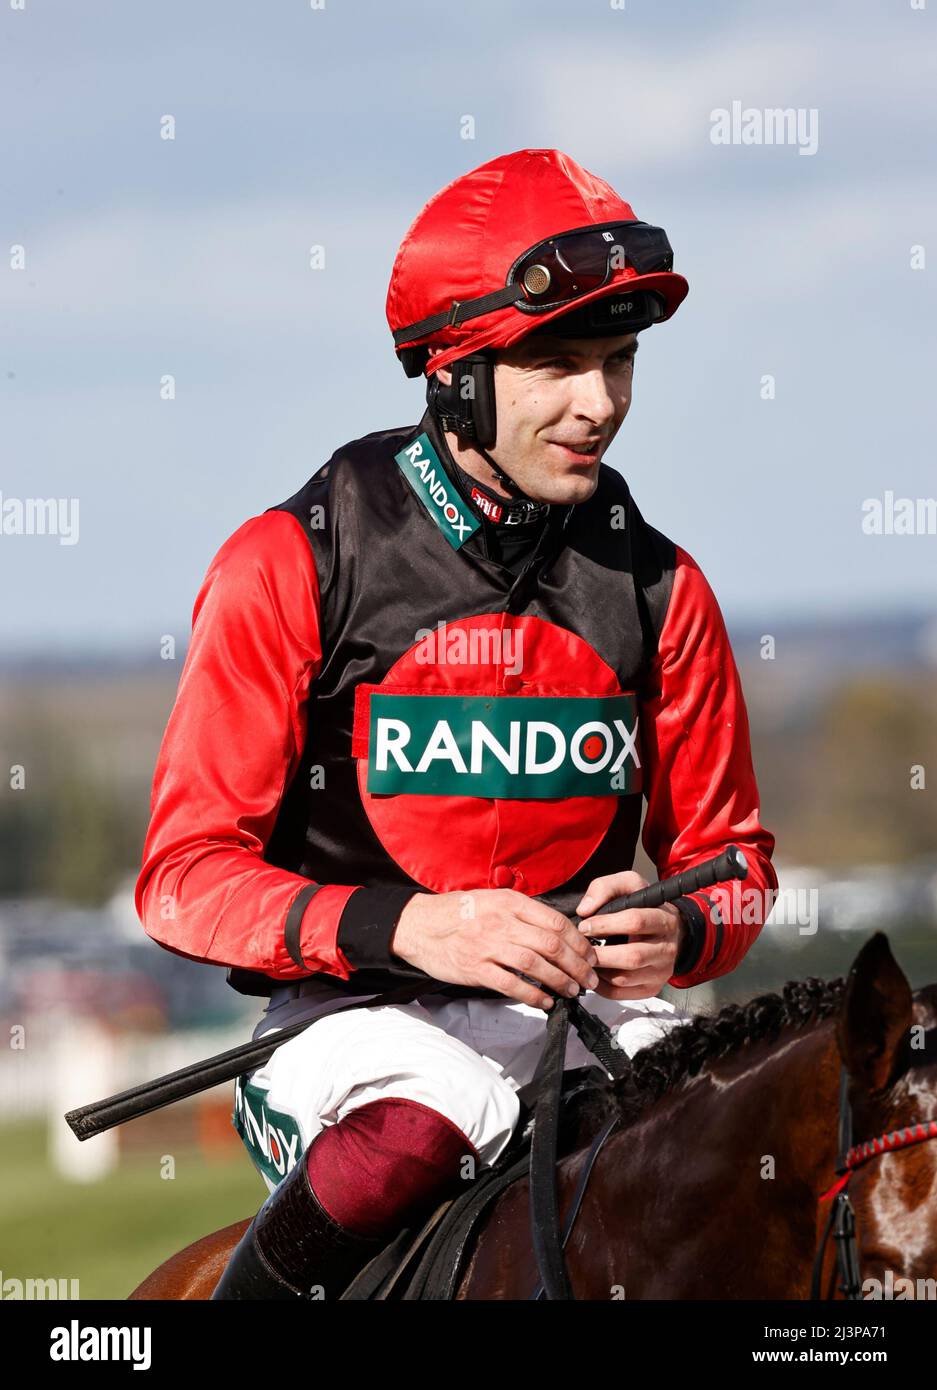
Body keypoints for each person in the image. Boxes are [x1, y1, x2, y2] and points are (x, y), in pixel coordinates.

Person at [135, 148, 778, 1300]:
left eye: (619, 359)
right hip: (348, 1027)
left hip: (588, 1018)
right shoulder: (289, 563)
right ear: (456, 375)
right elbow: (182, 881)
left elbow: (733, 865)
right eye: (559, 364)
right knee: (429, 1122)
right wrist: (412, 926)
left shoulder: (663, 588)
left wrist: (683, 933)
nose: (603, 403)